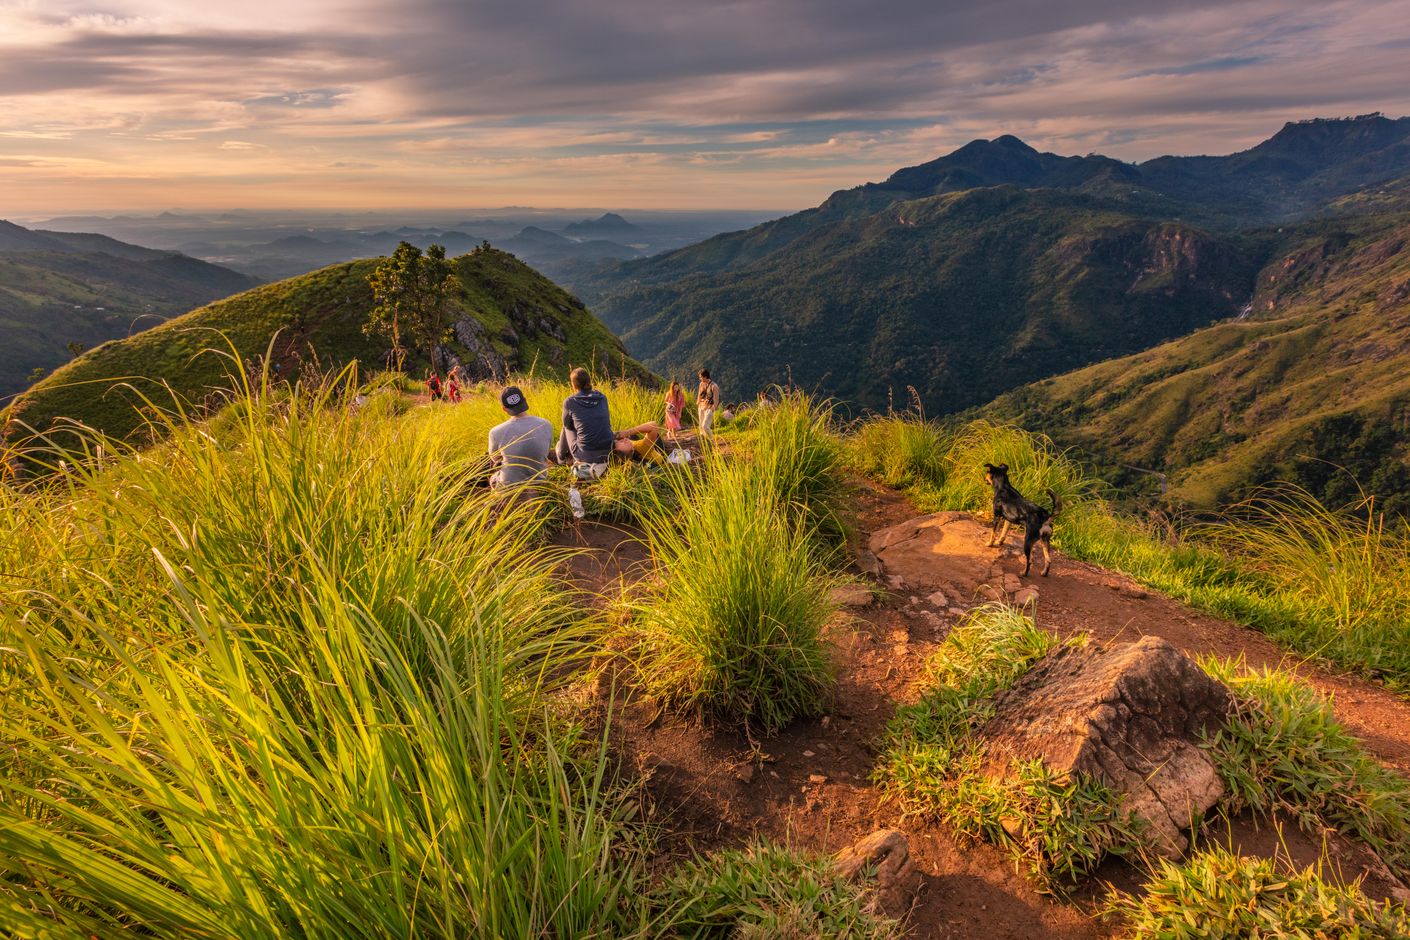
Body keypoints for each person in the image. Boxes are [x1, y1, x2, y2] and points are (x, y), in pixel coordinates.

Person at [487, 385, 553, 489]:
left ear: (504, 409)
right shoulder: (546, 424)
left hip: (510, 486)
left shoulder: (495, 432)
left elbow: (495, 458)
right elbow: (546, 452)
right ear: (525, 400)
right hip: (539, 483)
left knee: (493, 478)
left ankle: (496, 501)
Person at [556, 367, 614, 478]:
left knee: (567, 426)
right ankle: (563, 454)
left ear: (574, 385)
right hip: (607, 451)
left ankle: (561, 457)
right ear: (589, 381)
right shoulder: (602, 397)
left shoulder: (569, 401)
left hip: (585, 454)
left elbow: (567, 425)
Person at [696, 368, 720, 439]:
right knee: (701, 427)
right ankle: (704, 441)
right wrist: (698, 403)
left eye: (701, 377)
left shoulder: (714, 386)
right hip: (701, 407)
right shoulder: (701, 384)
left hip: (709, 408)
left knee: (705, 426)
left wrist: (712, 409)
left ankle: (712, 440)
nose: (700, 379)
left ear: (705, 376)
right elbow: (699, 394)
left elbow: (716, 400)